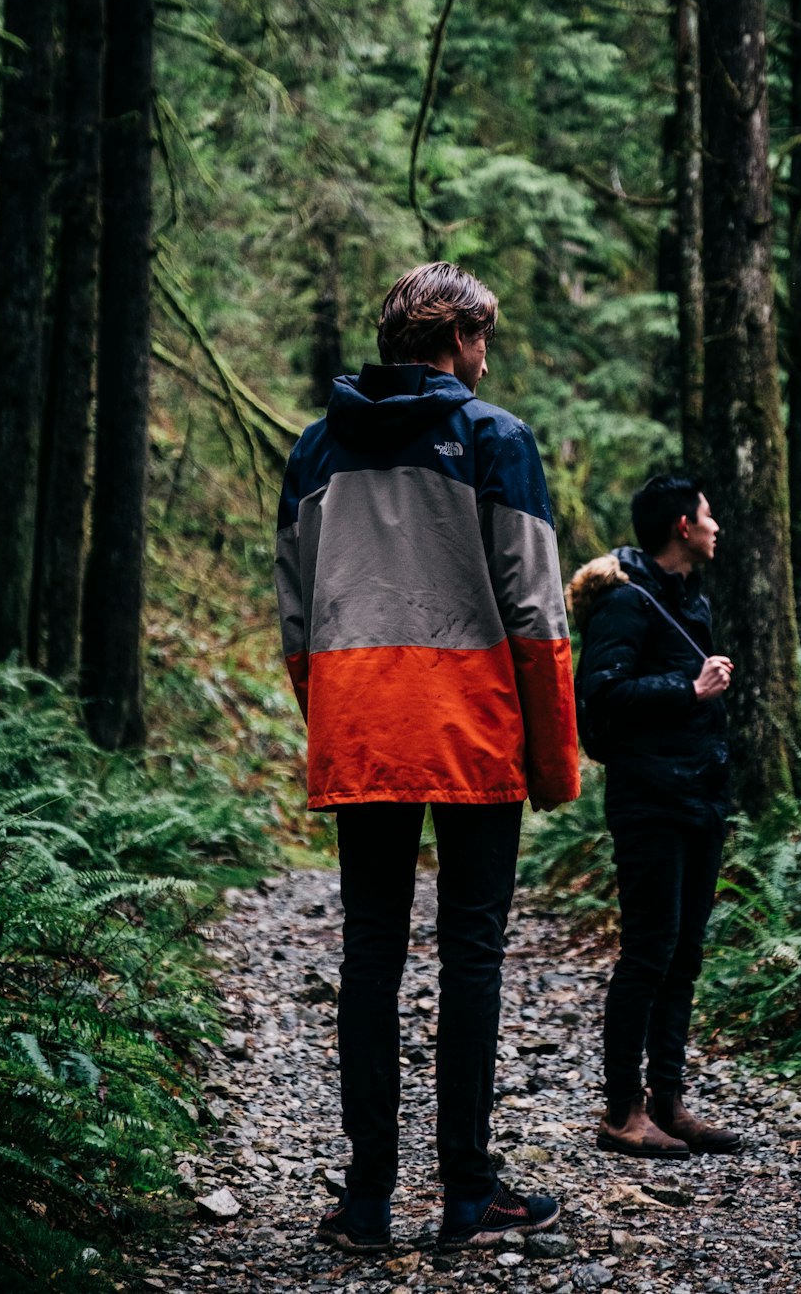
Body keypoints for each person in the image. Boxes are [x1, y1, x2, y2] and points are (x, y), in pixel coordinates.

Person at [275, 262, 580, 1252]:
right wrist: (554, 759)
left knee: (370, 952)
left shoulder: (316, 450)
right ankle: (467, 1194)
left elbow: (295, 616)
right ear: (450, 341)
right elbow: (536, 617)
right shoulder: (495, 440)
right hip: (474, 726)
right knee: (472, 953)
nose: (484, 359)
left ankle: (365, 1203)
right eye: (479, 340)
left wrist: (333, 712)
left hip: (362, 726)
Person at [566, 474, 741, 1159]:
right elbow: (600, 700)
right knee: (648, 952)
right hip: (649, 802)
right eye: (707, 514)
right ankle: (621, 1111)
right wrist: (688, 688)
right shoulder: (626, 604)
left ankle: (668, 1102)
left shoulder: (684, 598)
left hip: (699, 797)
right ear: (680, 525)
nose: (716, 525)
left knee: (685, 954)